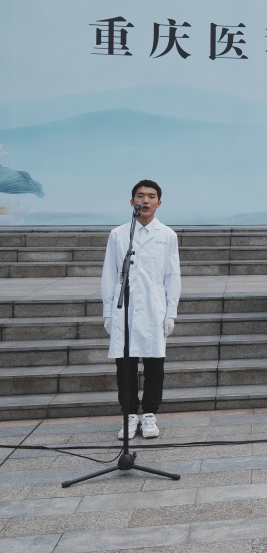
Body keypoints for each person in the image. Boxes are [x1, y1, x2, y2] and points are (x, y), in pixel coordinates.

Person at [101, 180, 180, 440]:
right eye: (140, 196)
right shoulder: (119, 234)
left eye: (151, 196)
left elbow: (172, 276)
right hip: (124, 308)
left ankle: (149, 415)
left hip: (154, 309)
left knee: (155, 365)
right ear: (132, 201)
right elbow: (109, 276)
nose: (145, 201)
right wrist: (108, 311)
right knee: (126, 366)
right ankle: (130, 415)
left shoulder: (167, 235)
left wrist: (171, 312)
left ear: (159, 203)